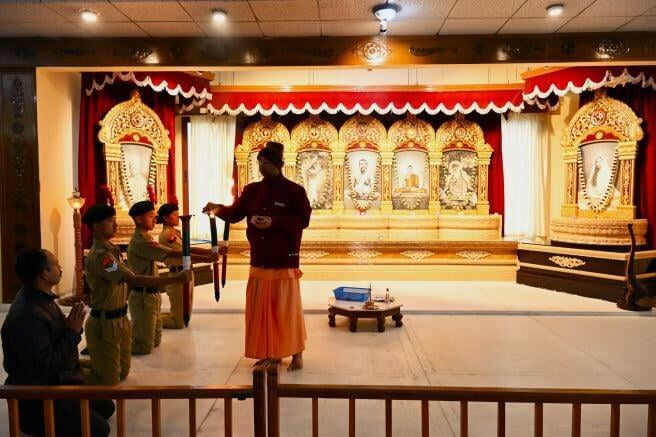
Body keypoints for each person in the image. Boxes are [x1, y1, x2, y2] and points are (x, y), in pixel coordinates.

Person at [203, 141, 311, 371]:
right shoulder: (251, 190)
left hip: (283, 259)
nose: (262, 166)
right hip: (259, 257)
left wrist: (273, 222)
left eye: (267, 162)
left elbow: (303, 220)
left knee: (286, 311)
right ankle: (271, 353)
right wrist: (218, 209)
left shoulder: (294, 191)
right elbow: (235, 213)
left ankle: (297, 354)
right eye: (260, 161)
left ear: (278, 164)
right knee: (261, 312)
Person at [2, 249, 115, 437]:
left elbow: (59, 336)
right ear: (44, 274)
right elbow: (42, 366)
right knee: (99, 429)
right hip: (39, 394)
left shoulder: (42, 297)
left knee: (106, 407)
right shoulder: (27, 315)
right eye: (55, 264)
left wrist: (73, 328)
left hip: (58, 379)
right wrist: (72, 332)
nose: (60, 267)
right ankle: (37, 423)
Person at [83, 204, 192, 384]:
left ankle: (98, 359)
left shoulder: (112, 250)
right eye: (110, 221)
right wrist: (174, 279)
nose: (115, 225)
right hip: (105, 322)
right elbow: (132, 279)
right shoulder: (102, 257)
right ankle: (70, 371)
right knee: (109, 380)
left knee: (122, 373)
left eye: (115, 220)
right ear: (96, 226)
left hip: (120, 317)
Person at [156, 202, 226, 329]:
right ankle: (148, 320)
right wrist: (207, 259)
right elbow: (184, 255)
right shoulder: (167, 235)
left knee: (183, 316)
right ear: (165, 218)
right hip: (178, 275)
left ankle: (152, 316)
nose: (177, 217)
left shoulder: (175, 232)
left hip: (187, 273)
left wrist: (210, 252)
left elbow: (188, 250)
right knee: (178, 322)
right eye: (174, 215)